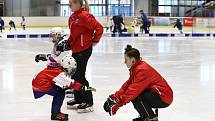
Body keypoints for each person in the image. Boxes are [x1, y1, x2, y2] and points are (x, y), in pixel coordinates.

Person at [56, 0, 103, 113]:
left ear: (77, 3)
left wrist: (94, 41)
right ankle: (78, 98)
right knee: (74, 75)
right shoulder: (72, 17)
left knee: (80, 76)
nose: (69, 5)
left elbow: (99, 28)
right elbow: (73, 35)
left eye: (71, 3)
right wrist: (67, 43)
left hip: (84, 49)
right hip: (76, 49)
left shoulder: (85, 16)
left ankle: (88, 101)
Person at [104, 45, 173, 121]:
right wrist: (115, 97)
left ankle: (150, 118)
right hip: (157, 94)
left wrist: (117, 105)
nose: (124, 62)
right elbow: (127, 85)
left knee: (136, 96)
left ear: (133, 60)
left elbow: (132, 92)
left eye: (126, 60)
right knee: (136, 95)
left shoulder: (142, 70)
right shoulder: (137, 68)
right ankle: (145, 116)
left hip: (163, 97)